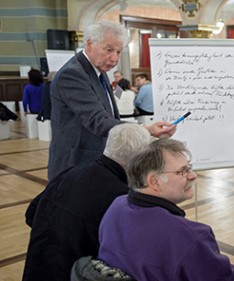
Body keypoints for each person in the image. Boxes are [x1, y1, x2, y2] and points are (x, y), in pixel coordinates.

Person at [22, 124, 152, 281]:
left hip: (38, 269)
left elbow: (30, 215)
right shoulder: (120, 198)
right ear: (139, 158)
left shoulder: (70, 172)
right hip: (74, 276)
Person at [97, 139, 234, 281]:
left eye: (189, 167)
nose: (193, 175)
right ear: (154, 182)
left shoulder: (116, 206)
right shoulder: (189, 236)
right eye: (183, 171)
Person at [48, 21, 175, 179]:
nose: (115, 58)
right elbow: (97, 120)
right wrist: (145, 130)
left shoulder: (99, 72)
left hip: (97, 161)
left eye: (119, 52)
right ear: (89, 44)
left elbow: (110, 117)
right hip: (77, 163)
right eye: (109, 50)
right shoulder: (73, 74)